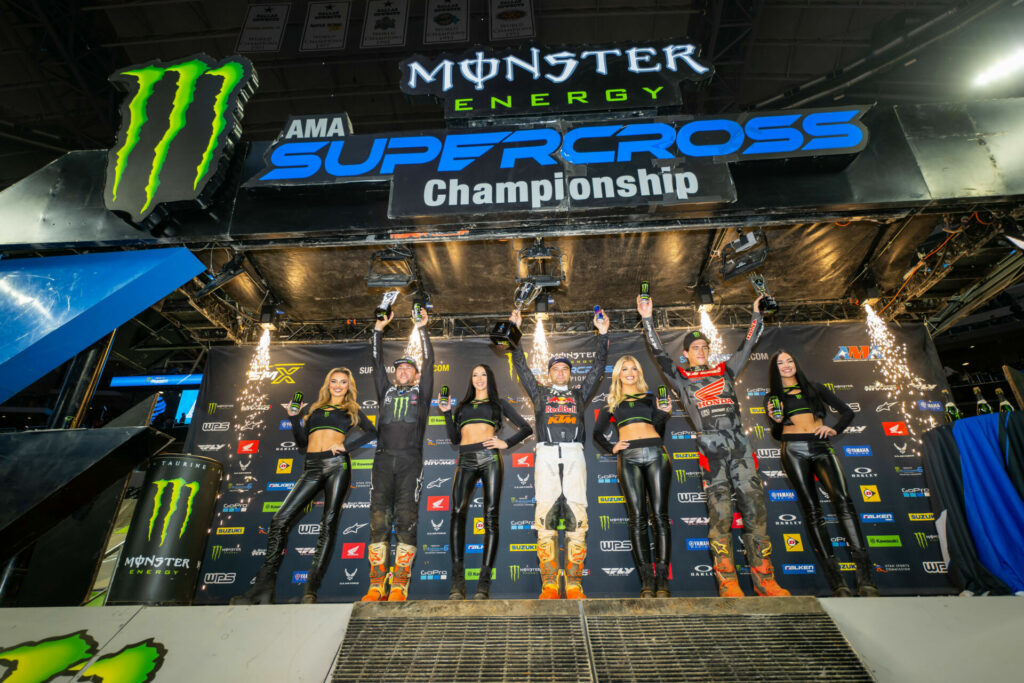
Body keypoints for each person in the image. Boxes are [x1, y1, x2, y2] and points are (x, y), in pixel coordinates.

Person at [638, 294, 789, 598]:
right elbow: (658, 354)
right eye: (696, 348)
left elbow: (747, 346)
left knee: (755, 510)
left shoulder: (725, 370)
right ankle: (728, 582)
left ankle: (765, 580)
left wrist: (757, 315)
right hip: (710, 450)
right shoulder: (680, 377)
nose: (702, 351)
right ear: (686, 354)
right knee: (720, 514)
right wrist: (647, 320)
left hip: (741, 446)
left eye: (705, 347)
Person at [231, 367, 376, 604]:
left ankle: (310, 590)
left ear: (349, 386)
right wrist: (293, 417)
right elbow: (301, 442)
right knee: (279, 519)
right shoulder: (313, 409)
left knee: (327, 524)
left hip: (337, 466)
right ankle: (263, 589)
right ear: (327, 384)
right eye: (334, 381)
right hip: (311, 467)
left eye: (343, 382)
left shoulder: (352, 410)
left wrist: (346, 447)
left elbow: (372, 432)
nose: (338, 385)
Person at [508, 307, 610, 599]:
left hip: (575, 455)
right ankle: (550, 584)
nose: (561, 372)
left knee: (578, 516)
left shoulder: (579, 395)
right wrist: (515, 331)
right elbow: (521, 367)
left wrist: (603, 335)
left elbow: (597, 369)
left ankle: (575, 583)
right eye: (556, 368)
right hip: (547, 456)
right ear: (549, 373)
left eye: (565, 368)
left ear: (570, 373)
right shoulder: (540, 394)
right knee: (545, 516)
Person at [766, 350, 880, 597]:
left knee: (844, 503)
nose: (786, 365)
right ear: (775, 370)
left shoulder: (814, 387)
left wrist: (835, 428)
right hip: (793, 451)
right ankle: (837, 582)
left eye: (790, 360)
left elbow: (848, 412)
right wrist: (776, 420)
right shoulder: (772, 397)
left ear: (796, 363)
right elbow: (776, 434)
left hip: (821, 447)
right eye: (780, 363)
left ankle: (865, 580)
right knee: (812, 511)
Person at [439, 364, 532, 600]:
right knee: (457, 512)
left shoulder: (498, 404)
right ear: (471, 380)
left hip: (490, 458)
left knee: (490, 516)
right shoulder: (462, 406)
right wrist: (447, 412)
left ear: (489, 379)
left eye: (483, 375)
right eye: (475, 375)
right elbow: (454, 438)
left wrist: (506, 443)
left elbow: (526, 428)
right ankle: (457, 583)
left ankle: (483, 585)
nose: (479, 379)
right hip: (466, 459)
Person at [361, 308, 434, 602]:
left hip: (410, 462)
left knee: (406, 519)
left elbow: (430, 362)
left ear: (415, 375)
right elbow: (375, 363)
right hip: (382, 460)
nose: (403, 371)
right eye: (399, 368)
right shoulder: (386, 391)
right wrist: (378, 330)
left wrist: (423, 328)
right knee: (378, 521)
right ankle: (376, 584)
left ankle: (400, 585)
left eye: (409, 369)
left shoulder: (423, 393)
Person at [592, 355, 673, 597]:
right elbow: (597, 433)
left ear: (639, 372)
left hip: (657, 454)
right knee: (637, 518)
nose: (630, 372)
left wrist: (663, 414)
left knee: (660, 517)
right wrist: (611, 447)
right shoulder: (612, 402)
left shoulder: (651, 397)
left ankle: (662, 580)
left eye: (634, 368)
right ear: (618, 374)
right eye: (625, 369)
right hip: (629, 459)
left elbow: (659, 430)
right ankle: (646, 581)